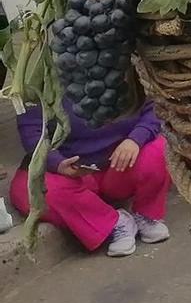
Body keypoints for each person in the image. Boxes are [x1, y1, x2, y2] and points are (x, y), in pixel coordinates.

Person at [8, 98, 171, 256]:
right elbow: (31, 133)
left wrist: (136, 139)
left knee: (160, 148)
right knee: (27, 190)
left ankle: (146, 214)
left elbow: (155, 107)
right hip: (70, 170)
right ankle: (114, 223)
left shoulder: (126, 70)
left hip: (120, 163)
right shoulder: (34, 78)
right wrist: (57, 163)